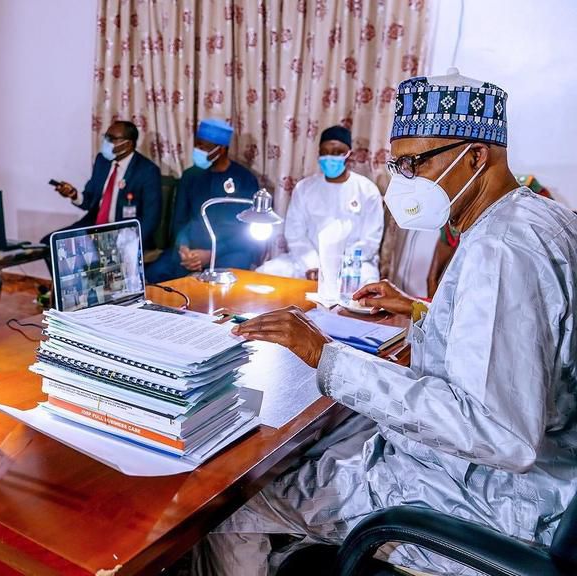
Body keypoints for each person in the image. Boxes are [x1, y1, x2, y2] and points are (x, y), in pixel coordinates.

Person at [192, 71, 577, 576]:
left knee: (233, 502)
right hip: (522, 479)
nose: (403, 180)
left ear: (477, 156)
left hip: (485, 502)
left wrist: (323, 354)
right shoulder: (538, 217)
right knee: (324, 441)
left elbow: (498, 431)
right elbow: (518, 342)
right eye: (397, 165)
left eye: (414, 164)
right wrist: (421, 312)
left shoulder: (499, 249)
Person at [256, 126, 383, 282]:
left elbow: (370, 241)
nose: (330, 157)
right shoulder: (304, 188)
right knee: (264, 272)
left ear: (349, 155)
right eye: (325, 152)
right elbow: (295, 234)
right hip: (307, 262)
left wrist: (336, 266)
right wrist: (312, 265)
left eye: (337, 152)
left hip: (352, 265)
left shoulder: (367, 190)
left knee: (369, 288)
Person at [146, 119, 260, 283]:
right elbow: (180, 220)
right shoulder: (191, 176)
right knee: (155, 274)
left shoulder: (244, 179)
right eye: (197, 145)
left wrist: (210, 254)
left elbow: (245, 232)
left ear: (220, 149)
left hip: (229, 251)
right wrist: (183, 247)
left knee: (225, 284)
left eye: (203, 147)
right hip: (190, 251)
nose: (197, 151)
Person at [41, 120, 162, 269]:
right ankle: (68, 291)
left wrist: (130, 244)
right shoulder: (102, 161)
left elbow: (151, 218)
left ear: (128, 144)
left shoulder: (147, 171)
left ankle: (90, 289)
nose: (106, 142)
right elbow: (89, 200)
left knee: (92, 257)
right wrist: (73, 194)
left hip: (123, 234)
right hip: (94, 226)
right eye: (106, 137)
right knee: (49, 244)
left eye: (112, 139)